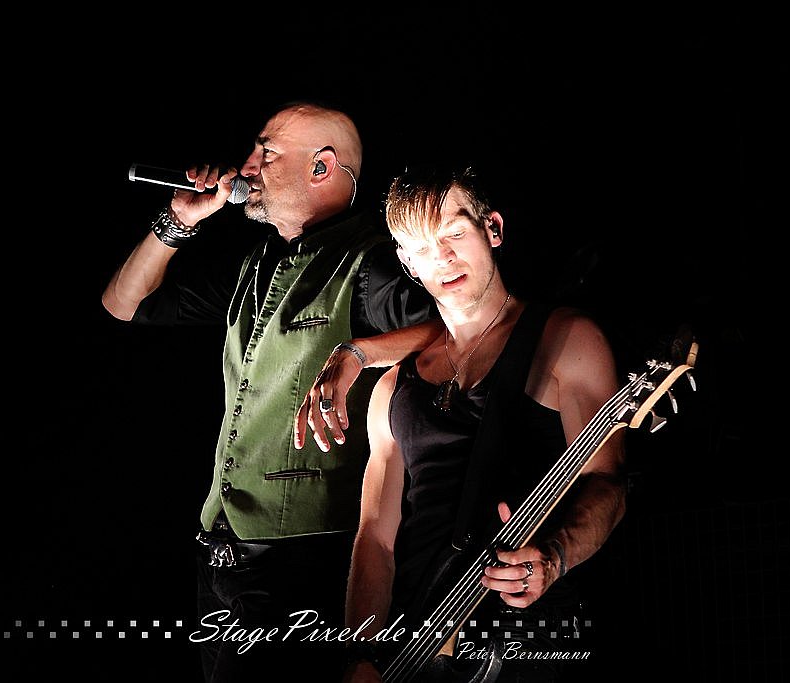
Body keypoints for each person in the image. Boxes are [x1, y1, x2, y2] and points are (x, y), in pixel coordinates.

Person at [101, 101, 442, 682]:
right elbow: (124, 304)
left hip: (301, 563)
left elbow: (455, 330)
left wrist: (358, 353)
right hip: (220, 554)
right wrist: (177, 221)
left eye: (267, 151)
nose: (247, 166)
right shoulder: (256, 264)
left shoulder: (373, 264)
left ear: (321, 167)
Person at [298, 166, 628, 682]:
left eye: (454, 233)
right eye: (422, 248)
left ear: (492, 229)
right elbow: (376, 537)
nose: (443, 258)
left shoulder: (567, 341)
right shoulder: (391, 388)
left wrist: (554, 557)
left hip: (526, 640)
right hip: (413, 645)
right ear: (407, 263)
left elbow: (607, 482)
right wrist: (360, 655)